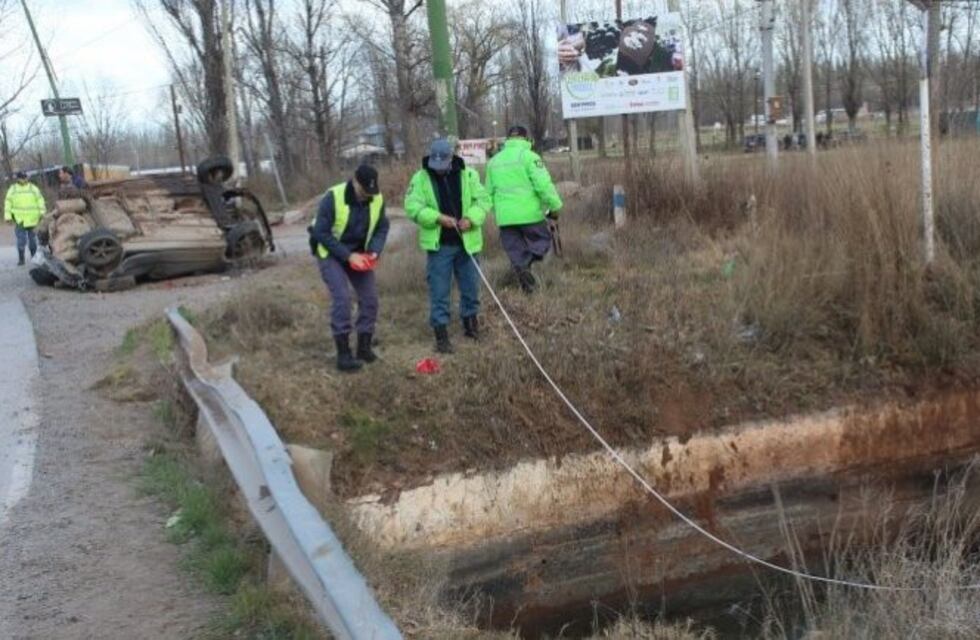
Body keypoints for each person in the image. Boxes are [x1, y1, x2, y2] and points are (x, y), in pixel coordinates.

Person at [405, 138, 491, 354]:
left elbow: (483, 201)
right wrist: (436, 218)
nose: (440, 170)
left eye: (443, 164)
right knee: (439, 290)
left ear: (452, 158)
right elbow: (412, 206)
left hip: (467, 243)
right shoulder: (421, 178)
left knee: (471, 286)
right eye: (436, 165)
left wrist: (471, 219)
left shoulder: (469, 174)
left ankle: (471, 325)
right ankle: (441, 334)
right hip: (439, 244)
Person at [309, 165, 390, 373]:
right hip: (331, 252)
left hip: (360, 253)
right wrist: (347, 255)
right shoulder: (333, 197)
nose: (367, 197)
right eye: (364, 192)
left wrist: (374, 251)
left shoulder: (376, 198)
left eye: (370, 192)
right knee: (343, 299)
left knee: (370, 298)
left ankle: (364, 346)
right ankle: (343, 354)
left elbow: (382, 226)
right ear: (355, 182)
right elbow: (320, 232)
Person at [485, 125, 563, 293]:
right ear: (526, 138)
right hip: (530, 216)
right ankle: (528, 263)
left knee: (515, 252)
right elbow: (544, 186)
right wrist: (555, 207)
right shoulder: (529, 157)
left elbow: (487, 195)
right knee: (543, 242)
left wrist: (498, 213)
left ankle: (528, 286)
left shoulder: (493, 162)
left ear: (508, 139)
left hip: (505, 218)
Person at [4, 172, 46, 266]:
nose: (23, 180)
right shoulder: (13, 189)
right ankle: (21, 258)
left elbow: (40, 200)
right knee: (21, 240)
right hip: (20, 220)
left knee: (33, 240)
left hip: (33, 219)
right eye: (21, 178)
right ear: (17, 178)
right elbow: (8, 203)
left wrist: (42, 213)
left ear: (27, 178)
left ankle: (34, 257)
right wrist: (8, 217)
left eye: (24, 177)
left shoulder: (33, 188)